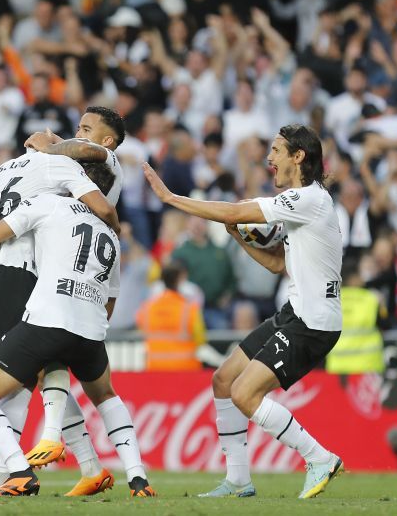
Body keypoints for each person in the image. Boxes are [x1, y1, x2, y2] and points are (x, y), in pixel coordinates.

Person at [143, 124, 344, 500]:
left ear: (298, 157)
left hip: (312, 322)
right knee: (223, 380)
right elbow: (275, 264)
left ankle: (319, 457)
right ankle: (238, 479)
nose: (269, 159)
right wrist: (237, 235)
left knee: (244, 393)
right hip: (295, 312)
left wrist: (171, 198)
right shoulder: (305, 204)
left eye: (276, 151)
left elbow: (236, 209)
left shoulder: (307, 200)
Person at [0, 172, 156, 498]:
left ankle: (19, 471)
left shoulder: (49, 204)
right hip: (92, 331)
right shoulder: (112, 236)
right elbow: (111, 300)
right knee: (106, 395)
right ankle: (138, 479)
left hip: (48, 320)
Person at [0, 148, 120, 495]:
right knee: (30, 377)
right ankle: (10, 471)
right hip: (19, 272)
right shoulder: (64, 167)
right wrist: (114, 233)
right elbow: (102, 207)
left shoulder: (0, 168)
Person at [136, 262, 206, 371]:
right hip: (186, 369)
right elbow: (201, 339)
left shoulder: (147, 308)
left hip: (155, 369)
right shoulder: (190, 309)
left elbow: (141, 330)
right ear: (180, 279)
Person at [325, 260, 385, 375]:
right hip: (368, 366)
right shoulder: (372, 298)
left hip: (337, 366)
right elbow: (385, 324)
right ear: (353, 279)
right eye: (359, 275)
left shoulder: (332, 301)